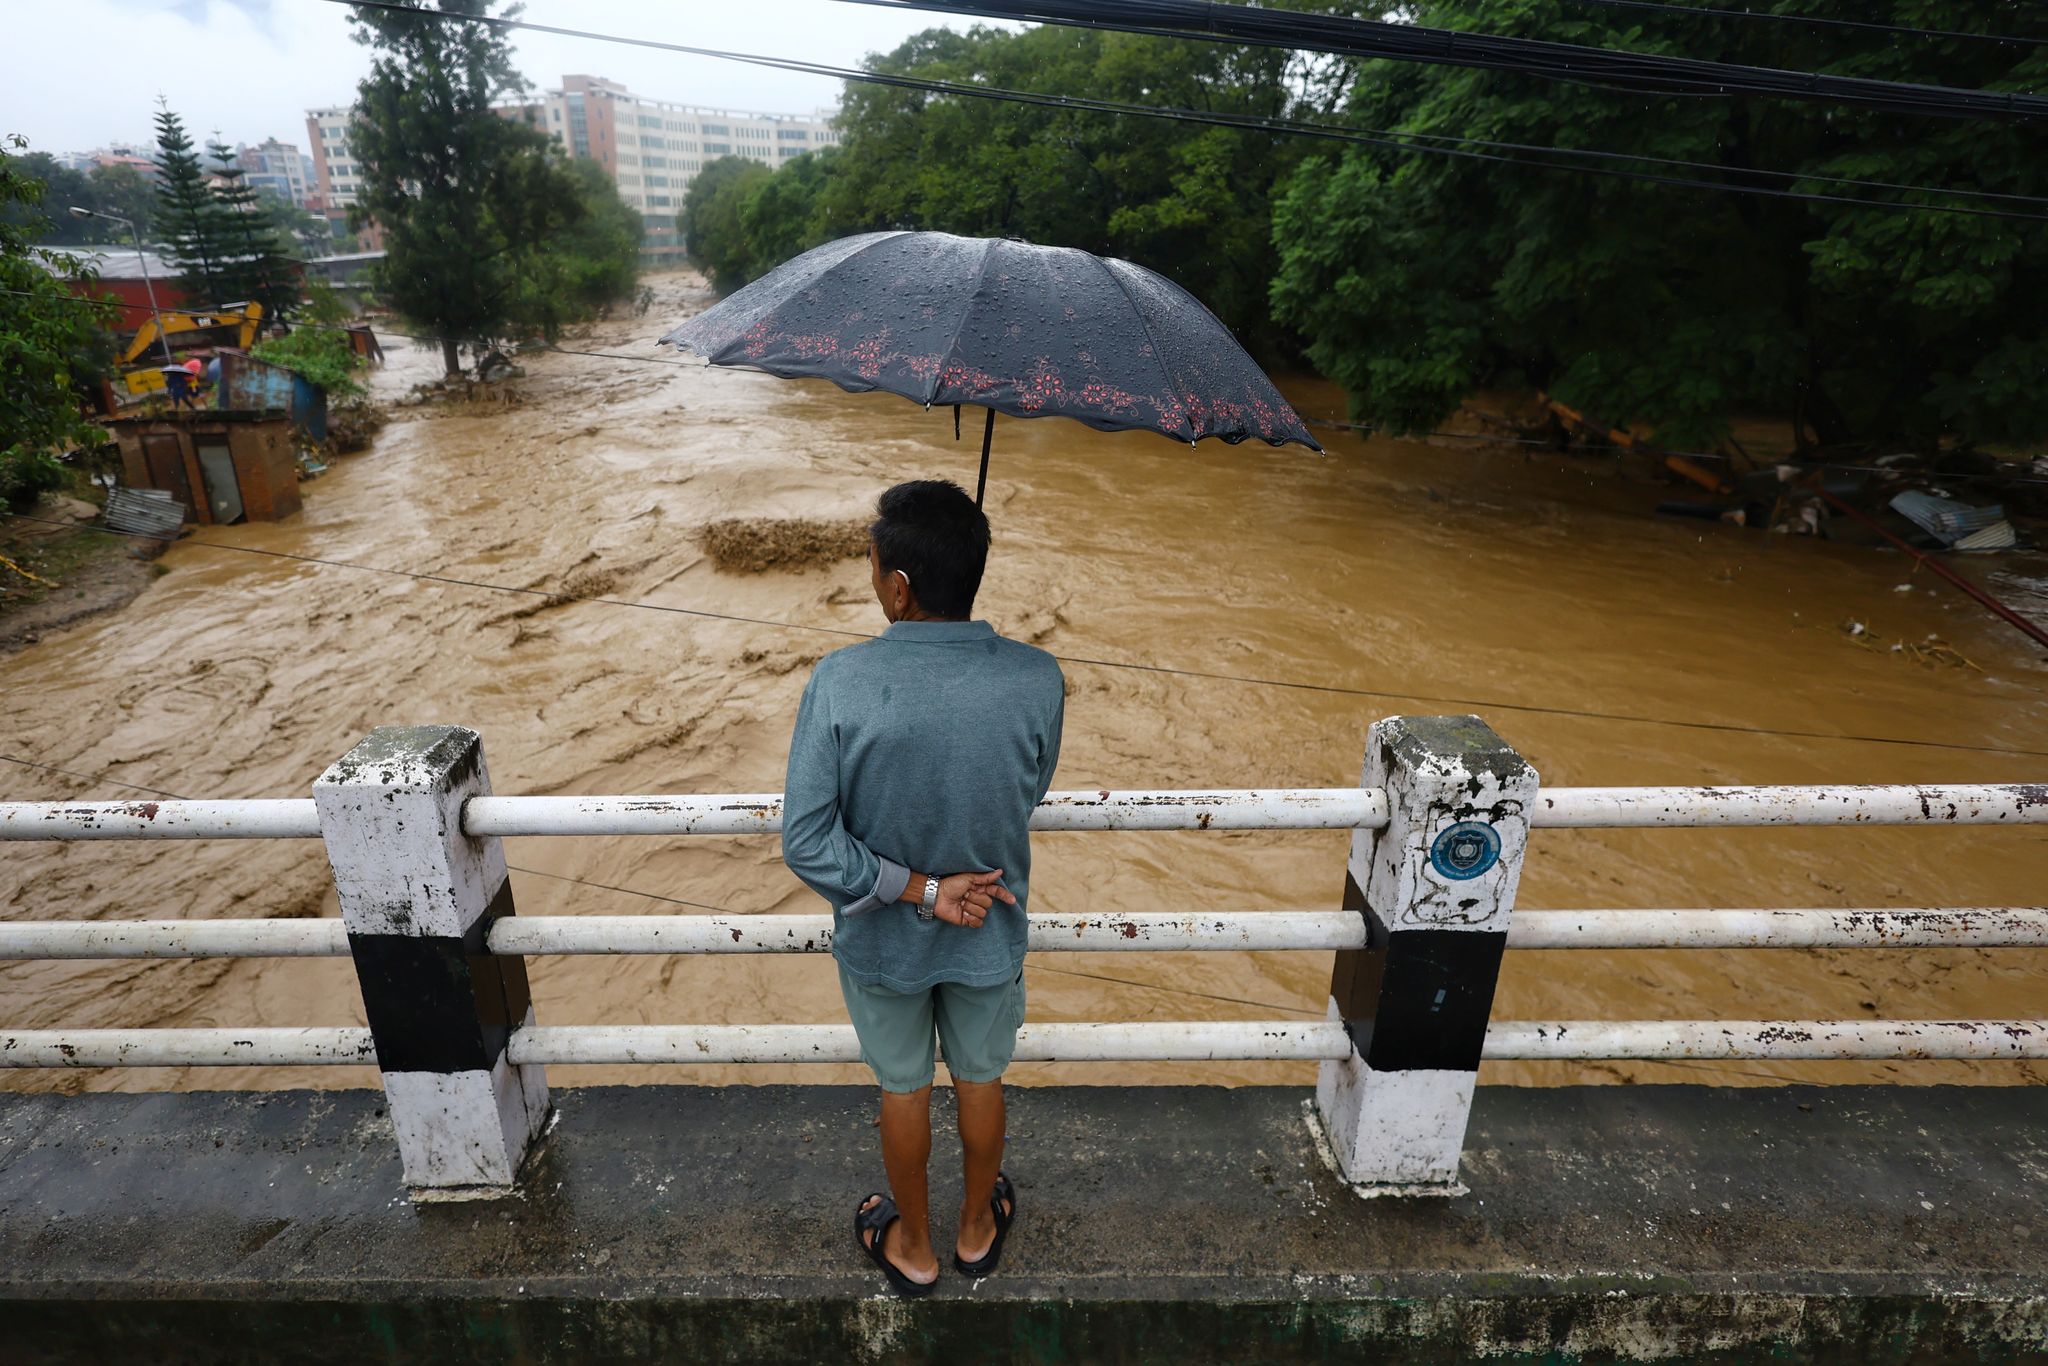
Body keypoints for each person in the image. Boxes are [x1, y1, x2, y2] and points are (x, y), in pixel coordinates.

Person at [781, 479, 1065, 1298]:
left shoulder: (839, 680)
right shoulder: (1038, 677)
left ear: (899, 586)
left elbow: (805, 840)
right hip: (989, 925)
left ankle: (914, 1245)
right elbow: (1028, 787)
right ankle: (977, 1229)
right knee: (981, 1078)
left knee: (903, 1088)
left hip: (883, 938)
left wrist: (915, 887)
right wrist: (952, 877)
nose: (874, 582)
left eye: (873, 569)